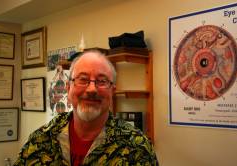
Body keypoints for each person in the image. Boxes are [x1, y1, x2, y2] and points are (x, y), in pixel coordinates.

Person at [14, 48, 159, 166]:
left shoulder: (137, 147)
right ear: (68, 87)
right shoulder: (40, 140)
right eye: (83, 79)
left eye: (102, 81)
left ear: (112, 91)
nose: (91, 90)